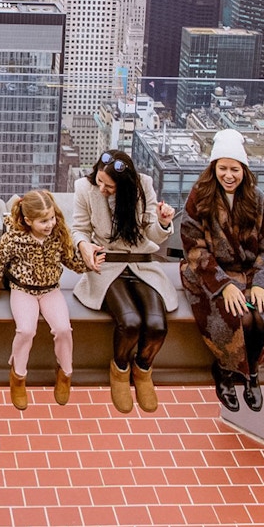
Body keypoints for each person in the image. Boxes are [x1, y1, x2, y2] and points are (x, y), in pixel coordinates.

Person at [179, 129, 264, 413]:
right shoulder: (200, 197)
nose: (229, 175)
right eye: (222, 168)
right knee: (234, 316)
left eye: (235, 169)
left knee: (262, 317)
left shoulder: (256, 198)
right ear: (213, 168)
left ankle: (252, 372)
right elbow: (194, 247)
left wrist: (260, 282)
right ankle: (225, 371)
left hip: (249, 271)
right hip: (208, 273)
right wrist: (223, 284)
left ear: (244, 170)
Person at [72, 149, 178, 414]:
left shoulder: (143, 186)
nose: (102, 189)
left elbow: (151, 231)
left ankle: (143, 370)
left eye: (109, 186)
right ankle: (119, 371)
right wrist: (84, 246)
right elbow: (79, 229)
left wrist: (164, 223)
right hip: (107, 264)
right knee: (130, 322)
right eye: (100, 182)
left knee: (156, 324)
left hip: (141, 262)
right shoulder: (84, 188)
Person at [0, 190, 88, 411]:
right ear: (28, 220)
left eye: (51, 218)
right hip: (23, 289)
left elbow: (70, 260)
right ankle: (18, 376)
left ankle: (65, 373)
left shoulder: (58, 235)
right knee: (26, 330)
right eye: (43, 221)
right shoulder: (15, 237)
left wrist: (89, 262)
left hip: (50, 290)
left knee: (63, 329)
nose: (49, 224)